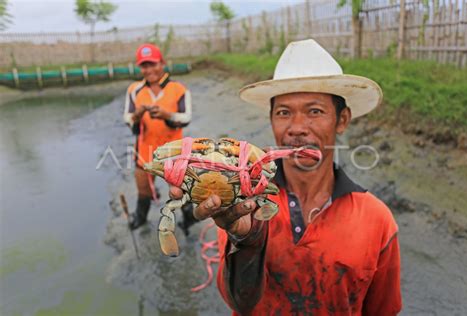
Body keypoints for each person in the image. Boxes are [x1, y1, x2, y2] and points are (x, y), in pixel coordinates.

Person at [170, 39, 402, 315]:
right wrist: (248, 240)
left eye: (315, 111)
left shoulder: (377, 220)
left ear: (341, 120)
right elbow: (240, 303)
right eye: (283, 113)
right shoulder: (244, 203)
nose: (297, 128)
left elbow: (382, 311)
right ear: (271, 120)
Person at [123, 43, 192, 230]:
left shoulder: (179, 89)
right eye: (144, 66)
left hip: (174, 152)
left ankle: (189, 218)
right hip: (145, 151)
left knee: (180, 190)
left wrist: (167, 115)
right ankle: (141, 218)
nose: (149, 70)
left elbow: (186, 118)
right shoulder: (134, 90)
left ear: (162, 63)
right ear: (140, 68)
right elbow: (128, 119)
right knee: (143, 189)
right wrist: (136, 116)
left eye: (153, 64)